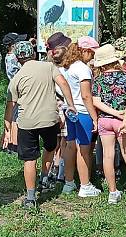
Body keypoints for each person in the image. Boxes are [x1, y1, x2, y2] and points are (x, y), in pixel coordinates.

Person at [4, 41, 76, 209]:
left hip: (26, 122)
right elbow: (63, 83)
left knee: (29, 159)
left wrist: (7, 127)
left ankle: (30, 197)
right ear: (34, 54)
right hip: (49, 119)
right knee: (50, 147)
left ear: (17, 58)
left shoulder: (16, 78)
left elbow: (10, 105)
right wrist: (70, 104)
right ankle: (44, 177)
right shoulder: (48, 67)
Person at [92, 44, 126, 205]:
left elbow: (96, 101)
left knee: (108, 156)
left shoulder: (98, 79)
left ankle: (113, 192)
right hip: (123, 120)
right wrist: (124, 119)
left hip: (105, 120)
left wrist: (112, 113)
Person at [62, 36, 101, 197]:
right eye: (92, 53)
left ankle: (69, 182)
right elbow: (86, 96)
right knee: (84, 149)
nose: (92, 56)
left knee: (71, 146)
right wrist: (95, 118)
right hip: (83, 112)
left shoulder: (68, 67)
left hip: (70, 111)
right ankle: (85, 185)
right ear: (84, 51)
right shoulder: (83, 69)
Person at [45, 32, 72, 184]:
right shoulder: (62, 70)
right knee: (64, 142)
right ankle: (61, 172)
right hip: (62, 107)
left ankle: (50, 172)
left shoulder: (46, 66)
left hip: (49, 107)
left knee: (53, 142)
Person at [1, 32, 28, 154]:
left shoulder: (8, 56)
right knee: (16, 118)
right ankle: (15, 144)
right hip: (18, 89)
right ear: (12, 45)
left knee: (13, 116)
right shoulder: (13, 58)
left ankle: (10, 141)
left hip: (13, 88)